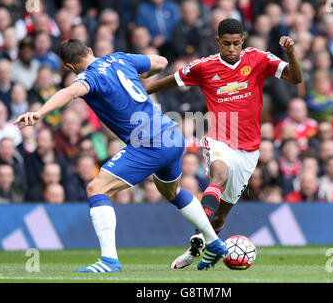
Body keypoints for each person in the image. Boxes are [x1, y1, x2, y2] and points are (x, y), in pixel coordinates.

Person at [13, 38, 227, 272]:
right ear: (90, 51)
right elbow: (161, 61)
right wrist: (142, 74)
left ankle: (109, 261)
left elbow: (71, 91)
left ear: (70, 67)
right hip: (172, 134)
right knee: (172, 191)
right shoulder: (120, 58)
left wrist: (40, 112)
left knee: (96, 189)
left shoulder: (88, 77)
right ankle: (214, 243)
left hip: (149, 143)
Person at [146, 18, 302, 269]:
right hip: (219, 138)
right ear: (218, 41)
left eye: (236, 44)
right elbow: (172, 80)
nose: (231, 49)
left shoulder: (259, 59)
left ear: (243, 41)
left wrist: (292, 54)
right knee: (218, 175)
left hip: (249, 150)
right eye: (226, 44)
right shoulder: (204, 66)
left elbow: (295, 78)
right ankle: (200, 237)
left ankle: (201, 247)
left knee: (221, 215)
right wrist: (142, 94)